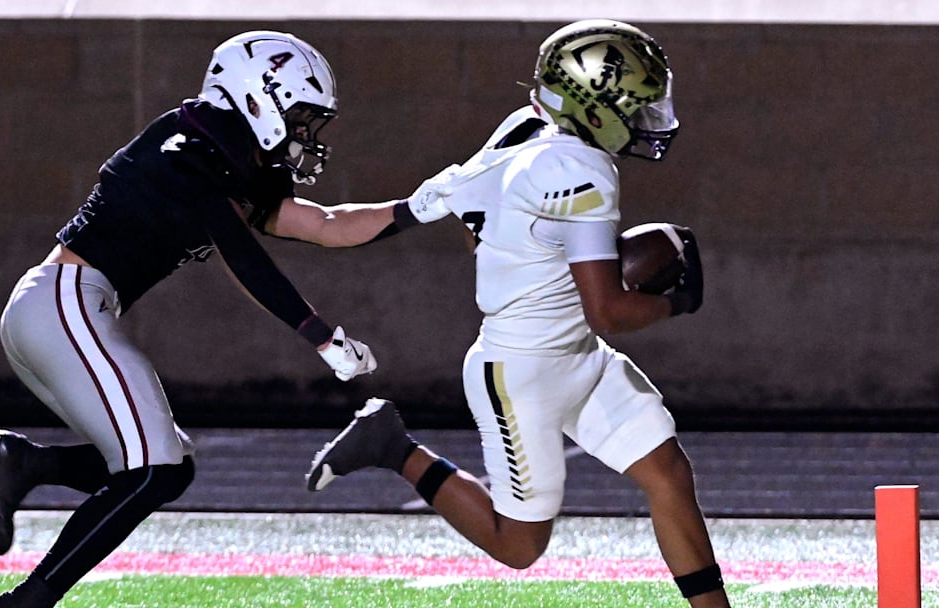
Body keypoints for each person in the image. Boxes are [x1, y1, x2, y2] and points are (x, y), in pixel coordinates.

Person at [0, 30, 450, 608]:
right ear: (258, 96)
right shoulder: (192, 145)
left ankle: (26, 463)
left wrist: (425, 205)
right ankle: (26, 602)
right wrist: (320, 337)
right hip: (62, 302)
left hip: (66, 308)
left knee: (170, 470)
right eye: (300, 115)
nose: (305, 132)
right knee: (150, 469)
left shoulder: (231, 155)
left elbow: (326, 224)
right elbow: (242, 257)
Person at [306, 20, 731, 608]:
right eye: (632, 105)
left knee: (668, 475)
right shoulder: (581, 171)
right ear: (593, 106)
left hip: (578, 353)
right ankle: (393, 446)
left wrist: (536, 249)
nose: (644, 118)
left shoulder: (523, 128)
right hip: (519, 372)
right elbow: (608, 310)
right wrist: (676, 301)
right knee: (520, 545)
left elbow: (470, 227)